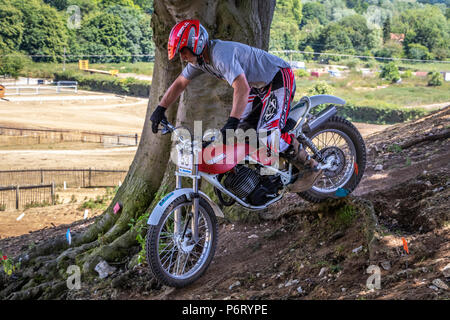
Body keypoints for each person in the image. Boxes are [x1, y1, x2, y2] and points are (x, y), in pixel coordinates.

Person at [150, 19, 322, 192]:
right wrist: (160, 109)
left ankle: (311, 166)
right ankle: (267, 174)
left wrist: (232, 120)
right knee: (243, 133)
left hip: (277, 78)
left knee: (267, 135)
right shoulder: (200, 61)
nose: (182, 56)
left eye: (183, 51)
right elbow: (180, 83)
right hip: (257, 86)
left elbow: (241, 87)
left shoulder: (220, 55)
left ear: (196, 43)